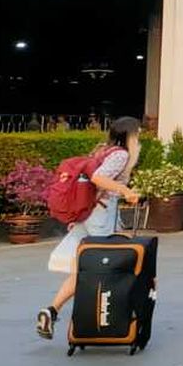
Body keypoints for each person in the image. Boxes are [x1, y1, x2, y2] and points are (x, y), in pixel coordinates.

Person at [36, 116, 143, 340]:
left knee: (82, 268)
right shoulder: (121, 154)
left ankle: (52, 310)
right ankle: (104, 315)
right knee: (108, 263)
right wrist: (125, 191)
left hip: (87, 213)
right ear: (129, 135)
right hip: (100, 214)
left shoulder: (103, 150)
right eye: (138, 133)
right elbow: (98, 178)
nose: (139, 136)